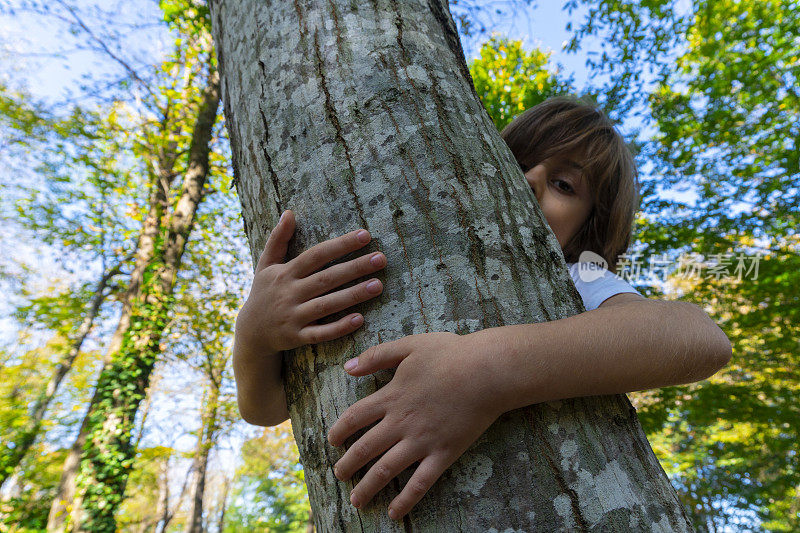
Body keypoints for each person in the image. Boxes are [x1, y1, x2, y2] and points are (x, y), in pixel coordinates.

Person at [232, 96, 733, 522]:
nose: (532, 179)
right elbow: (270, 408)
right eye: (516, 162)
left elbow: (701, 338)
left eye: (565, 185)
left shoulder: (580, 277)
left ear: (587, 229)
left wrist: (487, 368)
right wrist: (252, 336)